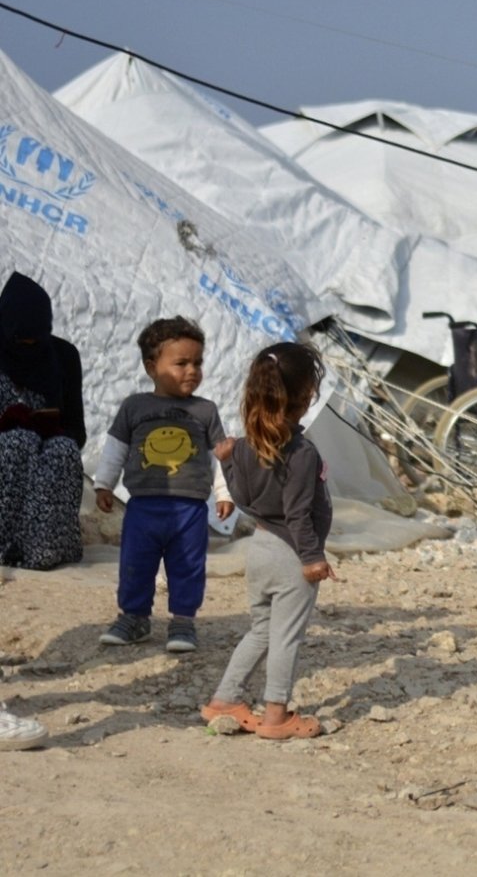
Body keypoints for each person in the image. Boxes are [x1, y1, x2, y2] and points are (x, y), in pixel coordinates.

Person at [203, 342, 334, 740]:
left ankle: (224, 700)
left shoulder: (242, 447)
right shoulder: (301, 452)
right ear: (307, 395)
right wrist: (312, 557)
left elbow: (241, 499)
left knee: (261, 630)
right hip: (291, 554)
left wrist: (226, 460)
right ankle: (276, 715)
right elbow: (297, 514)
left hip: (258, 548)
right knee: (286, 636)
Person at [93, 317, 234, 651]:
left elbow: (218, 457)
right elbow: (116, 448)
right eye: (181, 363)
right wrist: (103, 484)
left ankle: (183, 622)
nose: (192, 371)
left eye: (197, 362)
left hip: (190, 510)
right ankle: (134, 618)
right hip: (143, 506)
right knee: (135, 563)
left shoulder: (205, 410)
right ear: (151, 366)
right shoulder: (135, 407)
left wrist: (224, 493)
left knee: (187, 565)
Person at [0, 272, 86, 572]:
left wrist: (52, 431)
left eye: (36, 338)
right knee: (17, 442)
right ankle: (5, 545)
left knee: (62, 451)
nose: (29, 344)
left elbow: (77, 429)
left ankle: (46, 548)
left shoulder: (63, 357)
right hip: (7, 452)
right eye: (21, 339)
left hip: (46, 447)